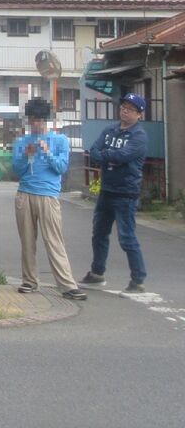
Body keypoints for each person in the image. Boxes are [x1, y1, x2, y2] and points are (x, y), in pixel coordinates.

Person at [11, 97, 86, 300]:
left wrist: (48, 152)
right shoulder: (21, 142)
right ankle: (29, 280)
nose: (36, 124)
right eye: (33, 120)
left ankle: (67, 285)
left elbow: (61, 168)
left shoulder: (59, 140)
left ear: (46, 120)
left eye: (40, 120)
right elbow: (17, 171)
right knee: (27, 241)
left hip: (49, 196)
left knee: (54, 241)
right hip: (25, 194)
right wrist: (26, 155)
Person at [81, 92, 149, 293]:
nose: (125, 111)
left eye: (130, 109)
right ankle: (97, 273)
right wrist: (107, 157)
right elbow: (93, 150)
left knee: (127, 238)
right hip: (106, 190)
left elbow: (124, 156)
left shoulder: (139, 136)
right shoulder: (110, 130)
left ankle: (138, 279)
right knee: (99, 233)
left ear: (139, 114)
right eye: (123, 107)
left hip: (126, 192)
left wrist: (106, 156)